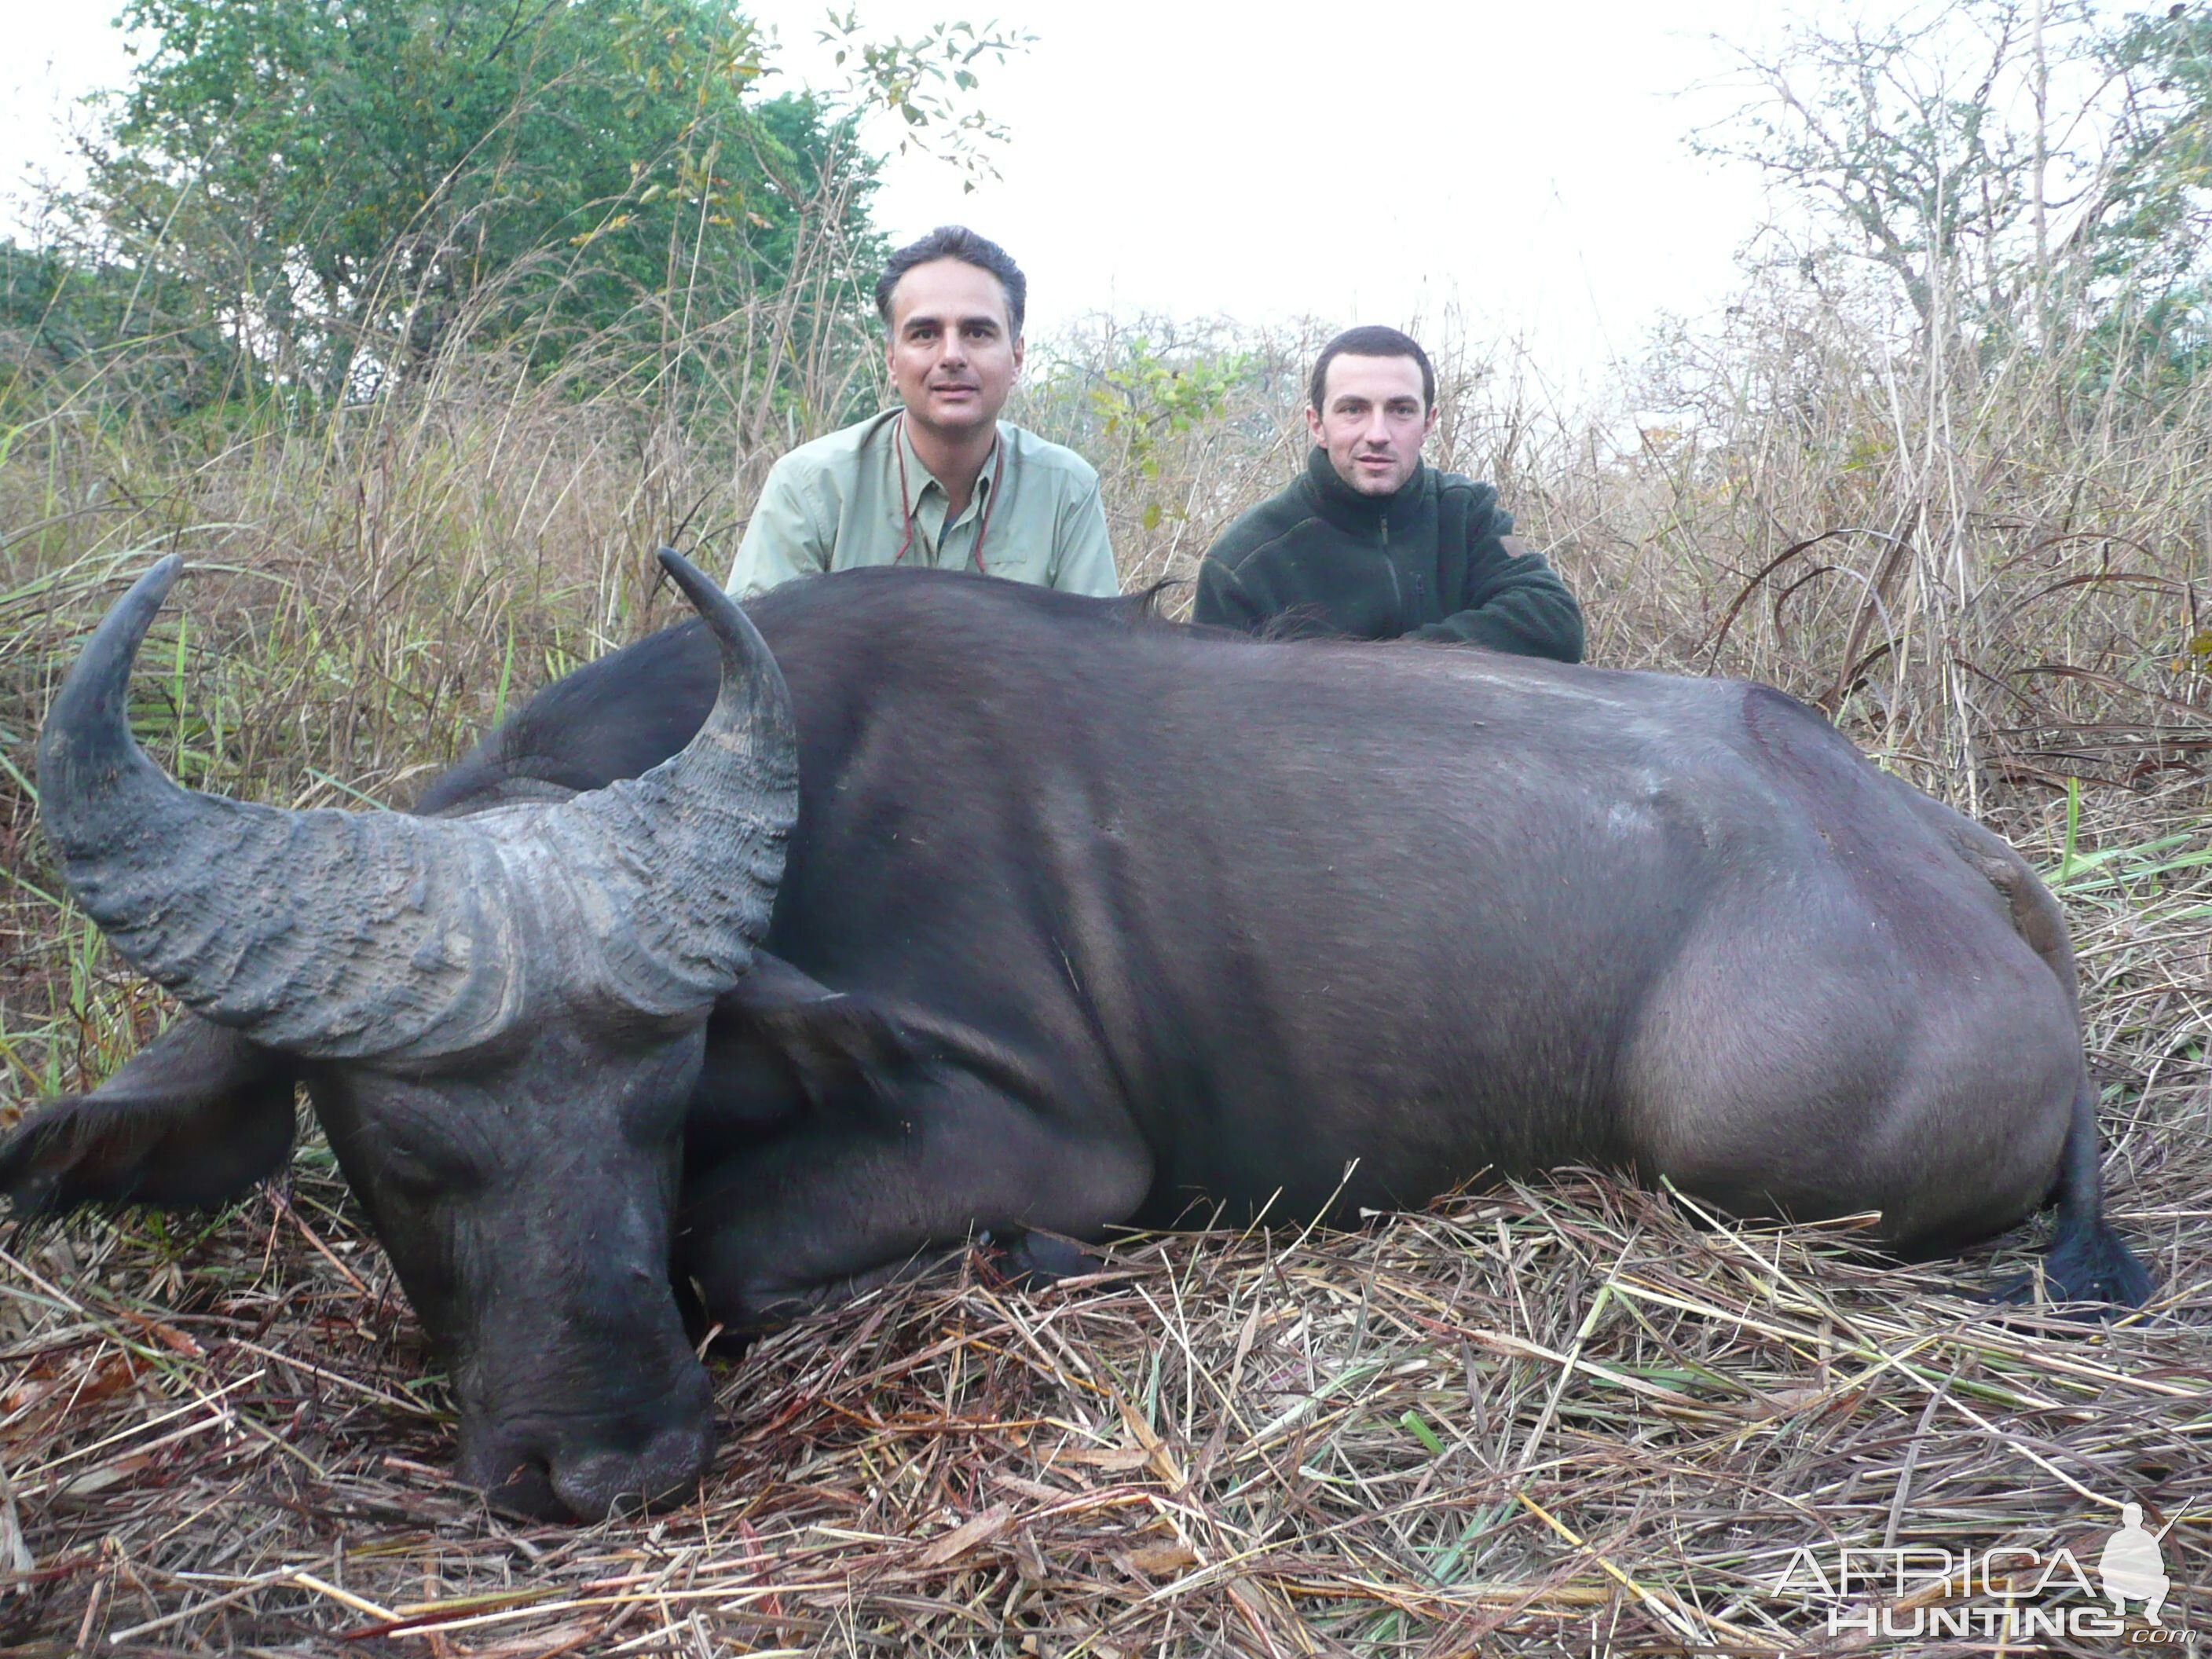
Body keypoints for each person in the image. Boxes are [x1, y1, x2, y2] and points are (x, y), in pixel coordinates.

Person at [724, 226, 1119, 599]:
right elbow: (755, 654)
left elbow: (1095, 660)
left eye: (978, 332)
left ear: (1016, 358)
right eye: (925, 334)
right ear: (892, 361)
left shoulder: (1067, 491)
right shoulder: (811, 490)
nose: (951, 356)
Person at [1192, 325, 1582, 658]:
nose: (1378, 434)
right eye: (1353, 410)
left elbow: (1554, 617)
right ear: (1316, 424)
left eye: (1401, 410)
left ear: (1428, 423)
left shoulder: (1472, 515)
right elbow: (1218, 714)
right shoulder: (1243, 564)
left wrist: (1399, 664)